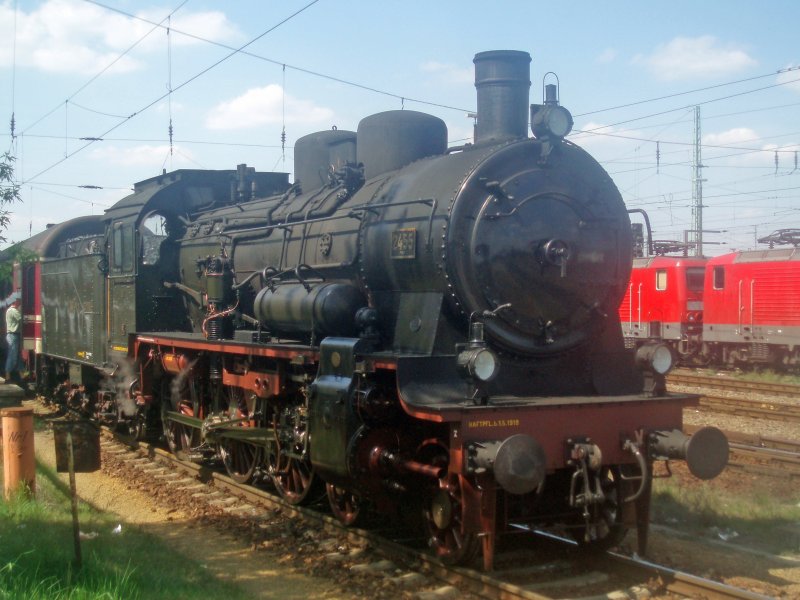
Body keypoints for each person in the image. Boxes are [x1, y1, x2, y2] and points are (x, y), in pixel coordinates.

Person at [5, 298, 22, 382]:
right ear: (15, 302)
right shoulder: (13, 311)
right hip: (13, 335)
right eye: (19, 301)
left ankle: (21, 375)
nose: (20, 302)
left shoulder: (9, 310)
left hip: (13, 335)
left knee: (17, 356)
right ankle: (8, 376)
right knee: (12, 356)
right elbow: (21, 319)